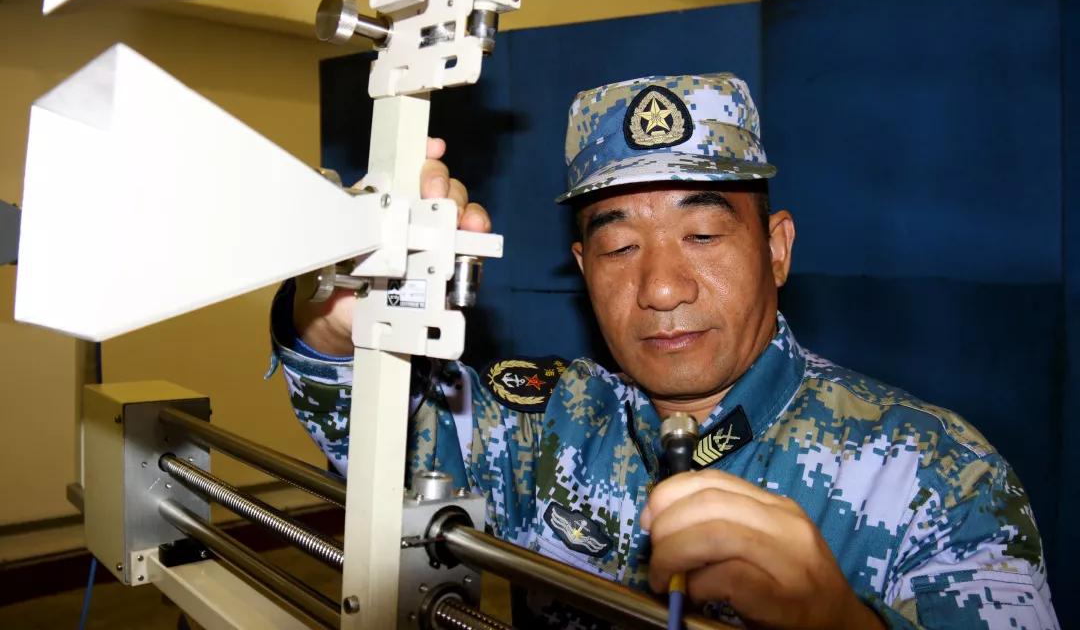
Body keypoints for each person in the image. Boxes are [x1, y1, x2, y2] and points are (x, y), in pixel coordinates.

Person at [268, 73, 1058, 629]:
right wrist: (338, 317)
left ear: (776, 249)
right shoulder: (543, 426)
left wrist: (842, 624)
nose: (662, 288)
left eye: (704, 234)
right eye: (619, 248)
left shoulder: (937, 475)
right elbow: (376, 429)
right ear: (582, 269)